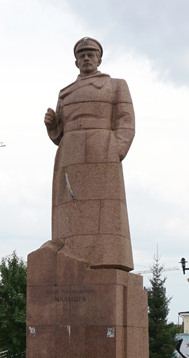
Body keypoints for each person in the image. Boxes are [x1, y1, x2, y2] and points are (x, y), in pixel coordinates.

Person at [44, 37, 135, 270]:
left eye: (91, 53)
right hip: (70, 154)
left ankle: (104, 258)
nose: (86, 57)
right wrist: (52, 126)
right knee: (71, 211)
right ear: (75, 61)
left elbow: (126, 120)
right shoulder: (65, 93)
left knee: (105, 214)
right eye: (81, 54)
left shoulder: (115, 85)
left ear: (99, 58)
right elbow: (60, 133)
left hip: (102, 148)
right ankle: (70, 254)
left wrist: (115, 149)